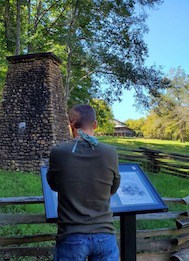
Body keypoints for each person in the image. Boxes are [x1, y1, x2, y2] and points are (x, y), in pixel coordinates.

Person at [47, 104, 120, 261]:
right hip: (105, 234)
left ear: (70, 125)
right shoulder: (110, 153)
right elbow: (113, 189)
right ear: (95, 124)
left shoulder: (59, 152)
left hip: (71, 235)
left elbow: (53, 185)